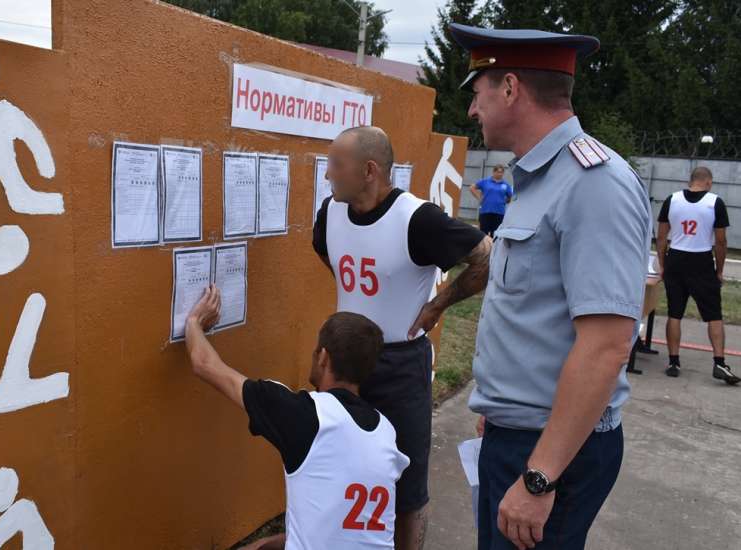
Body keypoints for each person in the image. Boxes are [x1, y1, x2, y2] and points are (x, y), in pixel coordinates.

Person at [450, 23, 652, 550]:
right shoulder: (539, 178)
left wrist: (540, 476)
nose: (473, 110)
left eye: (478, 93)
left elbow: (607, 347)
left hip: (550, 455)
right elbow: (535, 315)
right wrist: (499, 414)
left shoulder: (593, 184)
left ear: (511, 88)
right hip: (521, 436)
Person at [313, 126, 492, 550]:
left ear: (369, 170)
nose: (328, 175)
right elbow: (328, 252)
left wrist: (438, 304)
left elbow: (485, 255)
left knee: (407, 484)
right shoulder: (331, 211)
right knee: (340, 468)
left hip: (398, 365)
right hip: (342, 361)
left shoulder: (417, 218)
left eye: (337, 164)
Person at [183, 286, 410, 550]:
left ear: (323, 357)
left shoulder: (304, 414)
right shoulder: (386, 430)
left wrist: (193, 322)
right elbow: (343, 530)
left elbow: (204, 364)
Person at [656, 166, 739, 384]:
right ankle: (719, 362)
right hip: (701, 260)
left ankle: (673, 361)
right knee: (714, 314)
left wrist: (663, 263)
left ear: (690, 180)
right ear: (708, 182)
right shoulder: (715, 202)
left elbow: (662, 237)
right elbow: (720, 242)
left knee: (675, 312)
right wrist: (719, 269)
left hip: (676, 258)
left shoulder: (671, 200)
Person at [470, 164, 514, 237]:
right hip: (485, 211)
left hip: (499, 212)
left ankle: (493, 248)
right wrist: (479, 198)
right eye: (498, 172)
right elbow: (472, 188)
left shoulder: (505, 185)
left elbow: (510, 196)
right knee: (483, 233)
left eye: (501, 172)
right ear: (493, 172)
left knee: (496, 234)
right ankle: (484, 248)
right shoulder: (485, 181)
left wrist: (505, 201)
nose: (500, 174)